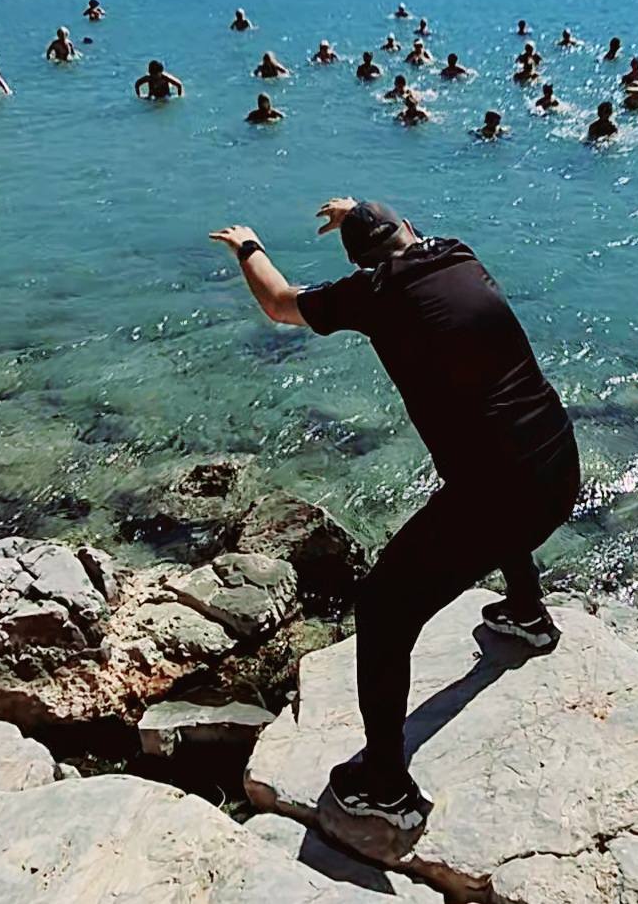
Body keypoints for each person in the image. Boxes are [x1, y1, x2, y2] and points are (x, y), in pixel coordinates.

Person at [209, 199, 579, 829]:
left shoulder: (372, 295)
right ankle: (526, 613)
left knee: (381, 609)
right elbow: (398, 231)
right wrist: (361, 209)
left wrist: (249, 246)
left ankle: (386, 786)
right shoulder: (458, 252)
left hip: (501, 496)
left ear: (360, 263)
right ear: (410, 231)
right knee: (483, 482)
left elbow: (278, 303)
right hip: (557, 462)